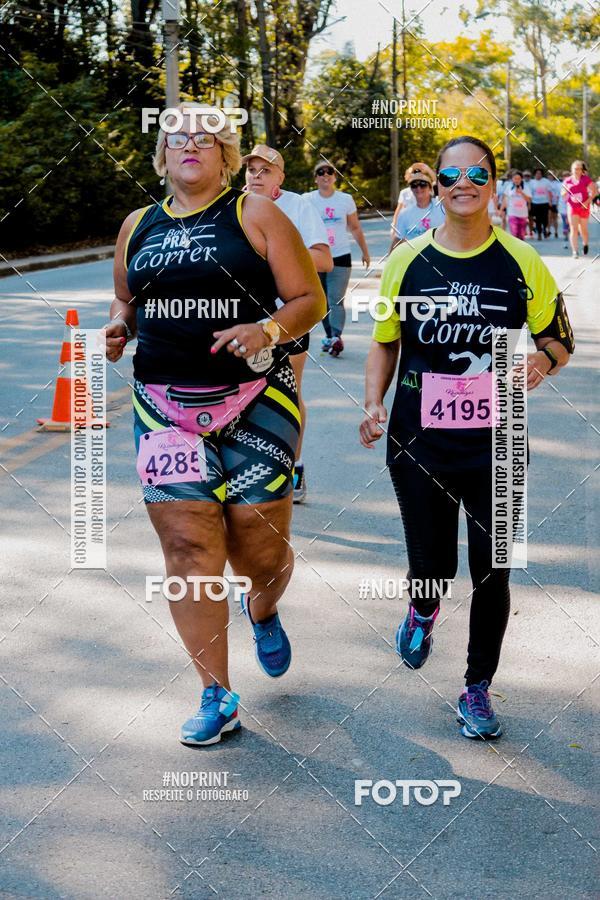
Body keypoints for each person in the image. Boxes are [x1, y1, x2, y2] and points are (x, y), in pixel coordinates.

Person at [104, 105, 326, 746]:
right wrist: (121, 327)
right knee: (187, 546)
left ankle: (264, 607)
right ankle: (216, 693)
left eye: (204, 136)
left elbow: (309, 298)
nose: (189, 143)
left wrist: (268, 329)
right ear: (162, 157)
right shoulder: (137, 226)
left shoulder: (254, 215)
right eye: (176, 136)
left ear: (226, 156)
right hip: (163, 407)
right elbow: (127, 298)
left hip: (258, 397)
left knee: (257, 543)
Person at [360, 135, 574, 740]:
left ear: (492, 182)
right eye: (449, 172)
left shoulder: (521, 261)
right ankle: (423, 607)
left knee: (493, 569)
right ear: (436, 184)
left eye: (475, 173)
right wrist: (374, 401)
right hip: (418, 440)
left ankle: (477, 687)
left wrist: (542, 362)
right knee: (431, 562)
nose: (461, 182)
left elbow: (561, 339)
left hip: (498, 445)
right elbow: (385, 341)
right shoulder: (407, 261)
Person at [243, 143, 333, 504]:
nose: (257, 176)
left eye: (266, 170)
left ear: (281, 176)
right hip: (240, 318)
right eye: (251, 170)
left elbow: (323, 259)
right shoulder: (233, 205)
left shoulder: (298, 206)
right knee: (240, 392)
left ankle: (293, 468)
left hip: (288, 316)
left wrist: (273, 256)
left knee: (287, 393)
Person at [305, 161, 370, 357]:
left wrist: (365, 251)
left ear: (335, 176)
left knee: (336, 298)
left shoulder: (345, 199)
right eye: (321, 172)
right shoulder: (307, 199)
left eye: (330, 172)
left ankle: (336, 336)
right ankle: (330, 336)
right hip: (316, 256)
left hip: (341, 256)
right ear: (315, 178)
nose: (326, 175)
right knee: (322, 300)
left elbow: (355, 227)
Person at [390, 169, 445, 250]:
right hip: (414, 258)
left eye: (422, 184)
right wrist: (389, 260)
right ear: (411, 189)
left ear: (430, 188)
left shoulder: (442, 207)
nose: (418, 188)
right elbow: (397, 239)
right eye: (414, 185)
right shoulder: (404, 214)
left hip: (439, 255)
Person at [563, 160, 597, 258]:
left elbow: (594, 191)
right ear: (571, 169)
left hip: (584, 207)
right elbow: (563, 192)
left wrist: (587, 201)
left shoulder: (586, 179)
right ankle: (575, 251)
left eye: (579, 169)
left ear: (582, 170)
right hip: (572, 207)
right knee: (573, 229)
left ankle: (585, 244)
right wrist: (564, 193)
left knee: (583, 229)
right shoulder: (567, 180)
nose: (576, 171)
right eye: (575, 169)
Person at [501, 169, 531, 240]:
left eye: (518, 178)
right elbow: (505, 199)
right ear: (512, 179)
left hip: (523, 215)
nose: (517, 180)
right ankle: (514, 250)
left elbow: (529, 200)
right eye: (515, 178)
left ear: (521, 179)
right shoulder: (509, 187)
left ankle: (520, 250)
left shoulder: (525, 187)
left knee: (521, 236)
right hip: (512, 214)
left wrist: (522, 193)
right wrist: (501, 210)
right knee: (514, 234)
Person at [529, 167, 552, 240]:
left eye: (540, 173)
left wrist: (550, 201)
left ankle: (544, 229)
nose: (538, 175)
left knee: (545, 219)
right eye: (537, 173)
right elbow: (530, 194)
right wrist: (529, 204)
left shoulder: (546, 181)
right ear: (534, 174)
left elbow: (549, 192)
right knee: (538, 219)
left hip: (544, 202)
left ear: (542, 174)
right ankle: (539, 233)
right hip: (535, 203)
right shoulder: (531, 182)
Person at [558, 171, 571, 249]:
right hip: (563, 208)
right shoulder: (560, 185)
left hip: (572, 207)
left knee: (570, 225)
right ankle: (565, 241)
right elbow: (561, 195)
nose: (566, 177)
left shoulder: (573, 184)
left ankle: (570, 239)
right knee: (565, 224)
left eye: (568, 176)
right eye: (564, 176)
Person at [547, 172, 561, 238]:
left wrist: (558, 203)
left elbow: (558, 194)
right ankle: (548, 231)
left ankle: (556, 232)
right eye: (549, 175)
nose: (550, 176)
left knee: (555, 218)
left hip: (555, 203)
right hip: (547, 203)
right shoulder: (546, 182)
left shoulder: (557, 184)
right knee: (549, 218)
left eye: (552, 175)